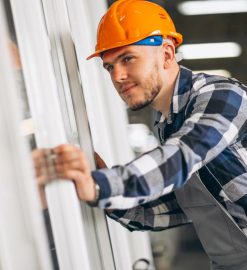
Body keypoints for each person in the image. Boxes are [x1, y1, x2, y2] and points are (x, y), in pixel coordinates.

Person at [33, 0, 247, 269]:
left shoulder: (221, 95)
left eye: (127, 58)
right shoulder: (166, 121)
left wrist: (103, 185)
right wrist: (106, 199)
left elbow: (182, 156)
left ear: (167, 54)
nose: (118, 76)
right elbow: (186, 208)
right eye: (109, 66)